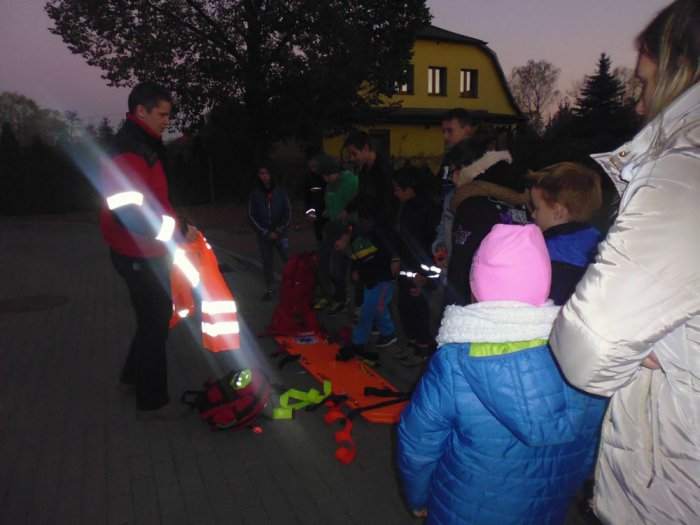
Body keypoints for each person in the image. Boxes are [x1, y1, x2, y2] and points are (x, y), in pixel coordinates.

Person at [550, 2, 700, 523]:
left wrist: (649, 346)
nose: (638, 103)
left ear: (681, 64)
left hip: (675, 482)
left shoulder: (685, 170)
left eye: (643, 83)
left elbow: (590, 347)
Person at [397, 224, 607, 524]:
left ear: (475, 288)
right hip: (545, 510)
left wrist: (418, 497)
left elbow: (418, 443)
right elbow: (591, 445)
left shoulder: (455, 362)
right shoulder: (582, 358)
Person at [100, 82, 196, 415]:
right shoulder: (131, 150)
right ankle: (153, 401)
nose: (167, 121)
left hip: (140, 252)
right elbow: (130, 213)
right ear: (141, 111)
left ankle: (130, 378)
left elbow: (153, 198)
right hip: (137, 254)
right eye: (162, 114)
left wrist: (178, 222)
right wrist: (175, 230)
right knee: (156, 322)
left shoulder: (142, 144)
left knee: (149, 320)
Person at [443, 136, 527, 306]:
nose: (453, 179)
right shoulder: (518, 199)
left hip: (480, 307)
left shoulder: (472, 205)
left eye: (454, 171)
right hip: (521, 297)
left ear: (469, 168)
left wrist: (452, 310)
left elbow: (462, 267)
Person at [528, 162, 603, 305]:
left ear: (558, 212)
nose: (533, 215)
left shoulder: (546, 253)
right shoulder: (600, 239)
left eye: (537, 208)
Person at [334, 209, 398, 364]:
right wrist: (356, 271)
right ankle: (387, 332)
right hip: (372, 279)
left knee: (369, 311)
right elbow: (358, 258)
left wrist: (360, 272)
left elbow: (376, 259)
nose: (337, 245)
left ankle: (360, 342)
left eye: (338, 242)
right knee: (375, 308)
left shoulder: (366, 238)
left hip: (382, 280)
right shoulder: (357, 238)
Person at [392, 166, 440, 366]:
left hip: (421, 272)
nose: (395, 193)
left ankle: (423, 350)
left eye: (398, 189)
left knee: (419, 311)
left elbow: (430, 246)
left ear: (410, 189)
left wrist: (424, 275)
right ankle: (412, 345)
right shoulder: (406, 206)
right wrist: (396, 259)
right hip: (407, 267)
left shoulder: (427, 210)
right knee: (405, 307)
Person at [313, 153, 358, 314]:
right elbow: (332, 202)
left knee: (340, 267)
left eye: (328, 175)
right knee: (325, 263)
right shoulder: (330, 184)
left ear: (336, 171)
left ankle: (346, 300)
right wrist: (328, 212)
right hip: (332, 227)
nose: (326, 179)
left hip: (347, 228)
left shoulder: (351, 182)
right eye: (323, 176)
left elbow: (356, 207)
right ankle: (335, 296)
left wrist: (347, 233)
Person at [248, 165, 291, 301]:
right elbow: (251, 215)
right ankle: (270, 288)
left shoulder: (281, 192)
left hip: (280, 233)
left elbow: (287, 212)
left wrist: (279, 229)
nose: (264, 176)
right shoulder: (255, 194)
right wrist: (264, 232)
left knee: (288, 260)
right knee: (267, 262)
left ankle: (294, 286)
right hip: (264, 235)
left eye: (266, 173)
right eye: (261, 173)